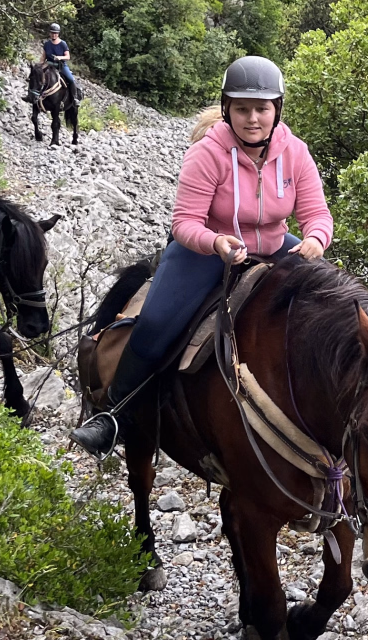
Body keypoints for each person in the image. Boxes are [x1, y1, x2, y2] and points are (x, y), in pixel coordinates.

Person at [71, 56, 332, 455]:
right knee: (156, 324)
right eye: (242, 109)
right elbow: (185, 223)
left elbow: (317, 214)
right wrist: (215, 243)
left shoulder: (295, 153)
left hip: (275, 245)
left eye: (261, 108)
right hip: (206, 251)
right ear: (227, 109)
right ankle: (113, 415)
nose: (252, 119)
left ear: (276, 110)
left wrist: (315, 238)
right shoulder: (207, 154)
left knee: (334, 307)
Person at [43, 23, 78, 101]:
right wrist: (39, 65)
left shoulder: (63, 44)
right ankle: (33, 95)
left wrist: (60, 57)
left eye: (55, 33)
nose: (53, 35)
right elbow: (43, 57)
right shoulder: (47, 44)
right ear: (49, 33)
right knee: (37, 76)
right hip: (49, 65)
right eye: (52, 33)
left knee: (71, 79)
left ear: (58, 34)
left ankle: (74, 98)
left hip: (61, 66)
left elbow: (67, 57)